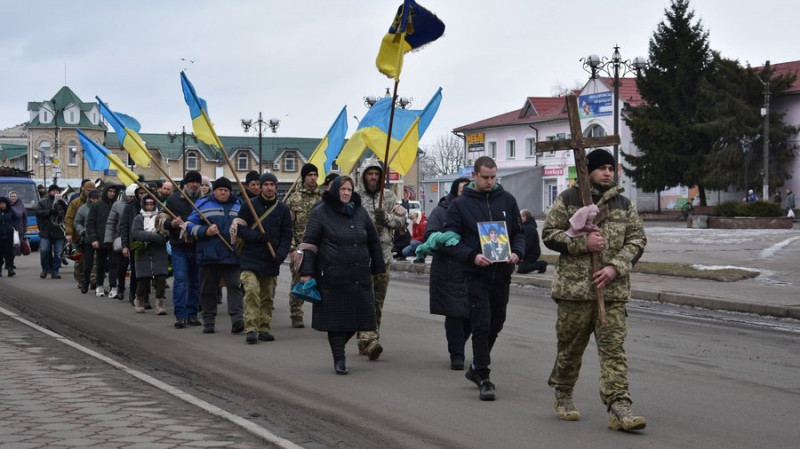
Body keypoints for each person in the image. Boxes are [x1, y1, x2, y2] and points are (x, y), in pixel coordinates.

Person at [542, 148, 648, 431]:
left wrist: (616, 266)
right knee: (570, 350)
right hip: (575, 292)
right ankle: (563, 393)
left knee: (614, 351)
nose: (607, 173)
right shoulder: (569, 199)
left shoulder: (623, 204)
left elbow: (637, 239)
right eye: (601, 168)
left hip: (611, 292)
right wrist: (582, 244)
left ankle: (619, 407)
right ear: (587, 171)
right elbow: (550, 235)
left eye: (611, 168)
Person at [442, 157, 525, 401]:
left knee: (497, 322)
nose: (490, 182)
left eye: (493, 177)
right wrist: (472, 256)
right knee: (481, 323)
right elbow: (450, 239)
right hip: (475, 273)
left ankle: (477, 366)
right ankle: (484, 377)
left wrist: (517, 253)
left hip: (501, 273)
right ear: (475, 176)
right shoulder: (460, 205)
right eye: (485, 177)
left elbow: (518, 233)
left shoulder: (507, 200)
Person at [298, 175, 384, 375]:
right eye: (342, 189)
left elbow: (373, 241)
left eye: (349, 189)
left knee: (360, 319)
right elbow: (309, 244)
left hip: (359, 276)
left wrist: (378, 266)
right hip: (333, 276)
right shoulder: (320, 212)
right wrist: (307, 273)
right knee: (336, 322)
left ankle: (340, 349)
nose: (346, 193)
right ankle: (339, 359)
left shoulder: (360, 212)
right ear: (334, 190)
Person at [353, 158, 406, 360]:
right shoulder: (355, 196)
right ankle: (366, 339)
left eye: (376, 174)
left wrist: (386, 219)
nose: (373, 177)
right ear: (363, 175)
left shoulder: (390, 196)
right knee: (362, 300)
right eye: (369, 174)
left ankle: (371, 339)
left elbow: (401, 220)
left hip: (382, 255)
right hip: (360, 255)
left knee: (377, 301)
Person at [235, 172, 292, 343]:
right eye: (265, 184)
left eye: (272, 184)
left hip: (271, 258)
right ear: (260, 187)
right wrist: (256, 236)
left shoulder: (282, 209)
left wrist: (281, 255)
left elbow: (287, 235)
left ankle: (264, 328)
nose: (269, 187)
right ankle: (251, 328)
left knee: (267, 295)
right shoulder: (249, 205)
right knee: (252, 291)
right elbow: (239, 229)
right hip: (250, 257)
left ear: (275, 186)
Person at [187, 177, 244, 335]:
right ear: (215, 190)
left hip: (232, 255)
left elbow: (248, 224)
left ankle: (238, 319)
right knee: (208, 289)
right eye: (220, 189)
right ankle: (209, 320)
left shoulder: (239, 205)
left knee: (235, 286)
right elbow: (189, 225)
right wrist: (205, 231)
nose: (223, 192)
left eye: (226, 190)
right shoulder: (203, 204)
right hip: (209, 255)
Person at [425, 177, 471, 370]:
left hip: (471, 268)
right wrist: (453, 243)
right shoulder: (441, 211)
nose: (465, 194)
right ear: (454, 192)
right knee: (454, 313)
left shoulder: (475, 211)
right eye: (462, 191)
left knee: (471, 314)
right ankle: (457, 354)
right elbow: (430, 238)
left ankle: (459, 344)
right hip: (448, 270)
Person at [163, 171, 204, 328]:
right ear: (185, 183)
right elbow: (161, 219)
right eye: (191, 182)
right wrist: (172, 224)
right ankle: (180, 315)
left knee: (195, 282)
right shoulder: (174, 199)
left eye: (197, 182)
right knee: (180, 280)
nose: (194, 185)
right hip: (179, 246)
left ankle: (192, 314)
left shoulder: (204, 200)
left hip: (197, 246)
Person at [286, 163, 321, 328]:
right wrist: (292, 248)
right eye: (310, 175)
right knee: (298, 281)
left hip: (319, 248)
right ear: (304, 177)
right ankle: (296, 314)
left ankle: (322, 315)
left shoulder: (322, 198)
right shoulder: (294, 199)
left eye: (315, 175)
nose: (313, 178)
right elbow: (288, 227)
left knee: (321, 282)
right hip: (300, 248)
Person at [130, 194, 170, 314]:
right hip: (143, 252)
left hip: (159, 252)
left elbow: (164, 236)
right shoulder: (138, 218)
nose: (149, 207)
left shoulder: (161, 217)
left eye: (152, 204)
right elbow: (136, 233)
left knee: (161, 278)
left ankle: (160, 303)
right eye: (147, 204)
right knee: (143, 278)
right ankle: (139, 299)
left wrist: (149, 237)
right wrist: (154, 237)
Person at [85, 184, 119, 297]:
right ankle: (99, 286)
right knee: (100, 264)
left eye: (114, 191)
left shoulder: (117, 205)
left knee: (114, 263)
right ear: (105, 191)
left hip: (114, 240)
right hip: (100, 239)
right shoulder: (97, 206)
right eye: (110, 191)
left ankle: (113, 286)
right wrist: (94, 238)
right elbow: (90, 223)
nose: (112, 193)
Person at [104, 184, 135, 300]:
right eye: (130, 197)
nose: (131, 199)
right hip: (121, 238)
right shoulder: (118, 205)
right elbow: (111, 223)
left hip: (136, 239)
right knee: (122, 266)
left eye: (133, 197)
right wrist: (108, 239)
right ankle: (120, 287)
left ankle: (134, 290)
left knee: (135, 267)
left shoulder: (139, 206)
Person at [64, 180, 97, 288]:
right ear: (84, 189)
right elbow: (69, 218)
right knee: (80, 260)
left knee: (94, 259)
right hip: (78, 236)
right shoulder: (76, 202)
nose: (90, 192)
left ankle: (92, 280)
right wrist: (69, 232)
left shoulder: (97, 202)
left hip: (93, 236)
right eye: (88, 190)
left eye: (92, 190)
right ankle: (81, 279)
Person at [35, 184, 66, 279]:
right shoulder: (43, 202)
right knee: (44, 251)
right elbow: (38, 212)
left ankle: (55, 271)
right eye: (53, 190)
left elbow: (67, 214)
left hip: (59, 231)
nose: (55, 192)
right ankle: (45, 269)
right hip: (46, 231)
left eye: (57, 190)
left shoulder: (63, 202)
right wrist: (50, 211)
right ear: (49, 192)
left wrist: (62, 209)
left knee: (58, 252)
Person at [75, 189, 101, 293]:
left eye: (97, 198)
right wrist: (82, 231)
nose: (95, 200)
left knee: (100, 264)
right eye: (93, 198)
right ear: (89, 198)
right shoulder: (83, 209)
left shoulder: (102, 208)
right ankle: (85, 283)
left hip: (100, 239)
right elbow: (77, 222)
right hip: (88, 239)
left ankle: (99, 284)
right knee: (88, 263)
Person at [517, 209, 547, 274]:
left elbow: (527, 243)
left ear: (524, 217)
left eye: (520, 216)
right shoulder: (524, 226)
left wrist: (520, 255)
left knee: (522, 269)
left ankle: (541, 264)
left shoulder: (529, 228)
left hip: (532, 253)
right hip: (527, 251)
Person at [0, 196, 18, 277]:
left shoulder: (11, 211)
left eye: (3, 203)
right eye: (0, 203)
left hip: (9, 235)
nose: (2, 205)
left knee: (9, 253)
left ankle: (10, 268)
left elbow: (16, 219)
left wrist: (14, 227)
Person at [8, 191, 26, 266]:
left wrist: (25, 228)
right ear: (9, 197)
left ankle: (11, 262)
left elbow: (25, 217)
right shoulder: (5, 205)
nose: (13, 197)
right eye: (12, 196)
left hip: (19, 229)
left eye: (14, 196)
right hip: (8, 229)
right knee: (8, 247)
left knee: (16, 247)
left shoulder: (21, 205)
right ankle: (9, 263)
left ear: (17, 197)